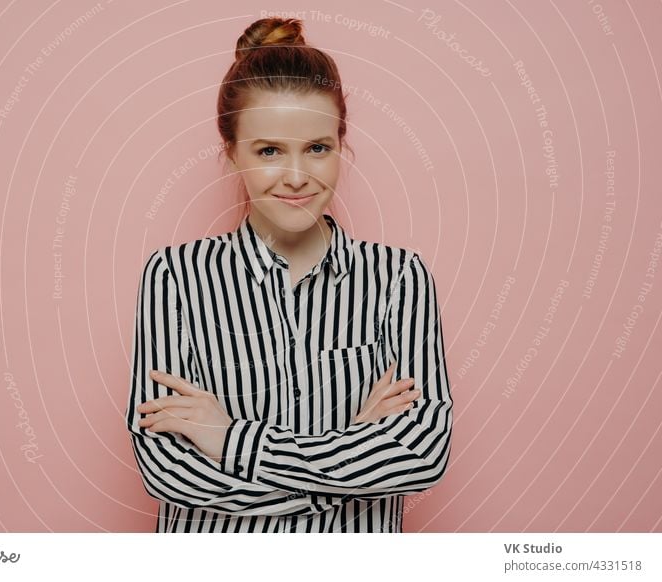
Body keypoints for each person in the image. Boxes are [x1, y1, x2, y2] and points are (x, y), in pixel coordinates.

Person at [125, 17, 453, 533]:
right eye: (269, 150)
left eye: (317, 148)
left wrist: (230, 438)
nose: (297, 176)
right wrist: (352, 453)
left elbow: (421, 454)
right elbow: (166, 470)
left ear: (341, 144)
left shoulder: (399, 279)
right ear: (232, 151)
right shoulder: (175, 277)